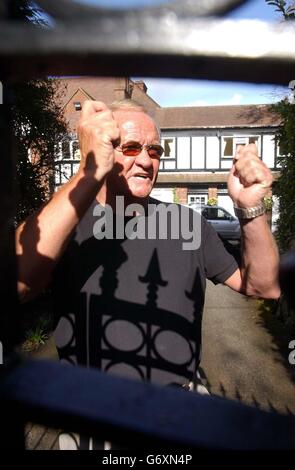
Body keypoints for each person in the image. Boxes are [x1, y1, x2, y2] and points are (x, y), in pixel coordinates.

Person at [16, 98, 280, 389]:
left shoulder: (187, 223)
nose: (145, 160)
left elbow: (263, 286)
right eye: (130, 148)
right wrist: (87, 172)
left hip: (178, 405)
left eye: (154, 150)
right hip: (89, 406)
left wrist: (251, 208)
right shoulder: (66, 221)